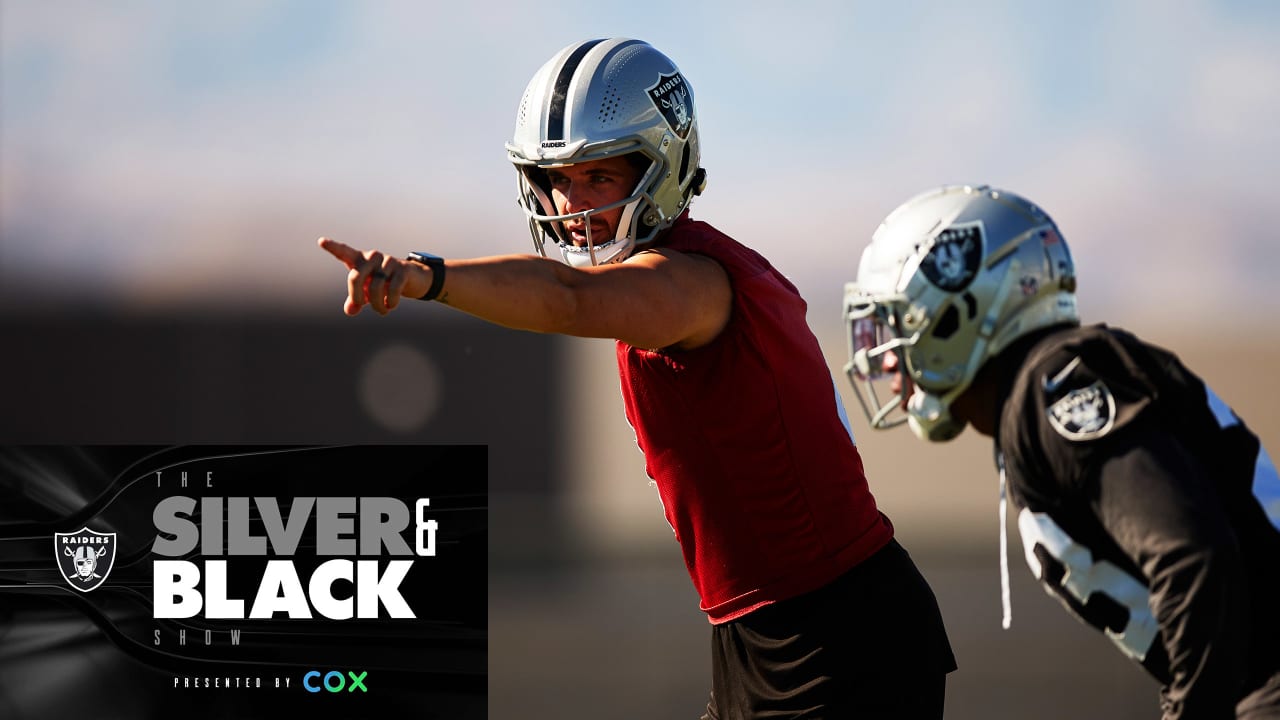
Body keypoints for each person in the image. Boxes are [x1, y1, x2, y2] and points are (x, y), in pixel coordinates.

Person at [319, 38, 955, 718]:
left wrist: (429, 278)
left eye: (599, 177)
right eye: (556, 178)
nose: (572, 203)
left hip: (838, 635)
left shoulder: (690, 284)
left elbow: (567, 297)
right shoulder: (694, 269)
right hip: (770, 630)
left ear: (664, 166)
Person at [842, 183, 1280, 719]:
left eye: (894, 324)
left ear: (958, 306)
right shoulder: (1041, 390)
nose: (883, 361)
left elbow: (1191, 560)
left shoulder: (1056, 388)